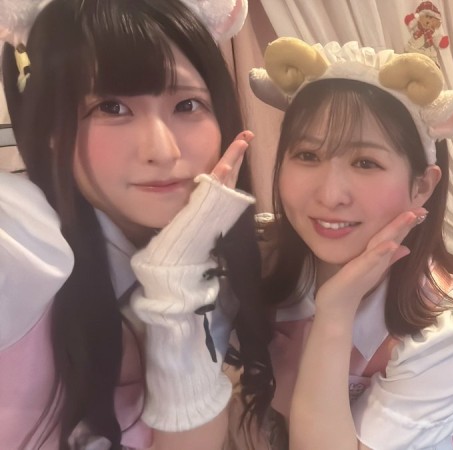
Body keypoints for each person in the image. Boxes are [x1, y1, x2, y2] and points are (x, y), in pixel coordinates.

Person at [0, 0, 270, 448]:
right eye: (111, 107)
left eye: (187, 104)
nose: (162, 151)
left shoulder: (216, 265)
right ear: (49, 127)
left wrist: (177, 277)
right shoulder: (26, 244)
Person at [243, 38, 453, 449]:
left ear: (421, 186)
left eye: (365, 163)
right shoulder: (255, 268)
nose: (330, 195)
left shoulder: (452, 330)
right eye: (307, 155)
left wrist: (334, 313)